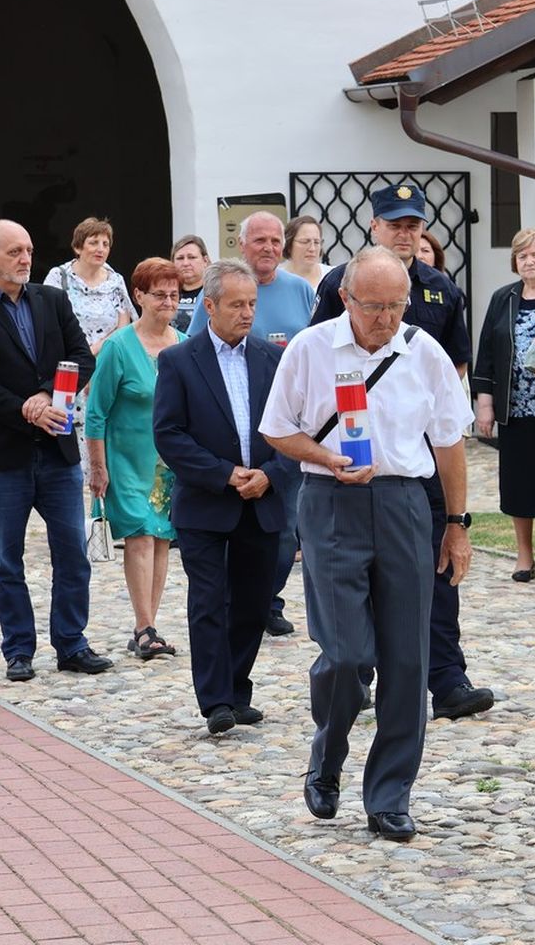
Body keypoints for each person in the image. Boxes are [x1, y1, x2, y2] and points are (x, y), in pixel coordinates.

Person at [260, 245, 474, 842]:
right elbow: (277, 429)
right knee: (347, 653)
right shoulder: (311, 348)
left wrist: (457, 524)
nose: (386, 318)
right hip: (331, 502)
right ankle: (328, 753)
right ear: (346, 298)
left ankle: (389, 794)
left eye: (396, 305)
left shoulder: (423, 351)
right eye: (374, 306)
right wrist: (325, 455)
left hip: (405, 501)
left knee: (407, 658)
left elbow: (450, 442)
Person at [312, 184, 490, 722]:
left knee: (437, 564)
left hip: (422, 457)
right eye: (395, 225)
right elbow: (321, 357)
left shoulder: (441, 289)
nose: (405, 234)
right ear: (375, 227)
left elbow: (454, 364)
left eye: (413, 225)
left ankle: (447, 677)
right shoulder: (338, 285)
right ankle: (360, 672)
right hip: (358, 452)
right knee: (362, 569)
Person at [0, 219, 113, 683]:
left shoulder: (52, 300)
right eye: (14, 251)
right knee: (5, 560)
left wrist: (45, 396)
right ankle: (18, 650)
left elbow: (83, 357)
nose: (25, 259)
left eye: (29, 250)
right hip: (1, 456)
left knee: (73, 554)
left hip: (57, 451)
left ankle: (72, 644)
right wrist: (25, 409)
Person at [154, 258, 295, 734]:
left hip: (262, 500)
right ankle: (215, 700)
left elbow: (295, 430)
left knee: (254, 603)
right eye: (237, 305)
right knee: (209, 601)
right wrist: (224, 474)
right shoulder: (179, 360)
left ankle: (237, 690)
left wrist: (271, 475)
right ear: (210, 306)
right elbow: (169, 435)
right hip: (206, 503)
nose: (247, 313)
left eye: (252, 304)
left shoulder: (273, 359)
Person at [187, 211, 315, 638]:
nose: (269, 248)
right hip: (228, 430)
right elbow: (196, 352)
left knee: (285, 534)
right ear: (241, 245)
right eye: (260, 240)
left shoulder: (300, 290)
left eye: (276, 240)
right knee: (233, 529)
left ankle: (266, 600)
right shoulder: (219, 290)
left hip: (285, 431)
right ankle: (236, 602)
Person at [85, 258, 186, 660]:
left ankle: (148, 626)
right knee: (141, 536)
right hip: (126, 460)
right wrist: (97, 467)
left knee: (161, 538)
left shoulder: (184, 343)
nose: (168, 302)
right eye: (159, 294)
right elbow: (96, 413)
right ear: (139, 296)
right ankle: (144, 627)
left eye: (174, 295)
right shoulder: (118, 347)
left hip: (168, 463)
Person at [472, 228, 535, 583]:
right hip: (515, 409)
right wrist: (485, 405)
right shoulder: (503, 298)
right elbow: (486, 352)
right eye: (522, 256)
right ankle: (524, 555)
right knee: (518, 485)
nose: (529, 261)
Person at [43, 217, 133, 354]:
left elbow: (123, 327)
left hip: (107, 358)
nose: (100, 249)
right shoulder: (59, 276)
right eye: (93, 243)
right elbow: (47, 321)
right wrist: (82, 355)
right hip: (69, 358)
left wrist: (93, 351)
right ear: (78, 248)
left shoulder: (116, 281)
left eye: (105, 244)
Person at [170, 235, 210, 332]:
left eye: (191, 257)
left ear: (205, 261)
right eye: (180, 258)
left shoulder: (215, 292)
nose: (185, 263)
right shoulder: (166, 294)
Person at [284, 215, 329, 290]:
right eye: (304, 242)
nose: (312, 248)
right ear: (289, 245)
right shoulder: (275, 278)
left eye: (316, 242)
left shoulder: (332, 277)